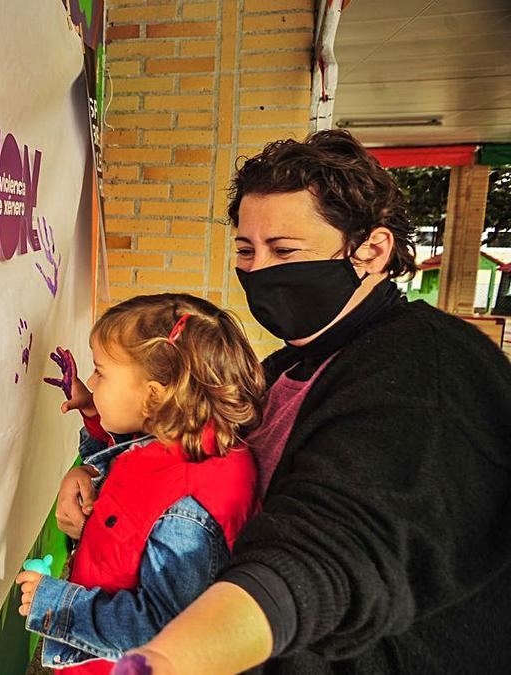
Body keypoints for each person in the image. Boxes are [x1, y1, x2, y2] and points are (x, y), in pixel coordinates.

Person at [86, 130, 511, 673]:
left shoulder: (426, 373)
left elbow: (327, 556)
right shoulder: (287, 367)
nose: (260, 270)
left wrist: (168, 659)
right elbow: (188, 448)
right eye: (246, 249)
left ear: (372, 251)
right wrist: (100, 471)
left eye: (285, 250)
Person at [16, 293, 267, 672]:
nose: (91, 380)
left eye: (101, 372)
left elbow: (162, 631)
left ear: (152, 397)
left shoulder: (189, 510)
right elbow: (131, 451)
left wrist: (56, 604)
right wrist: (92, 407)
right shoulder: (186, 440)